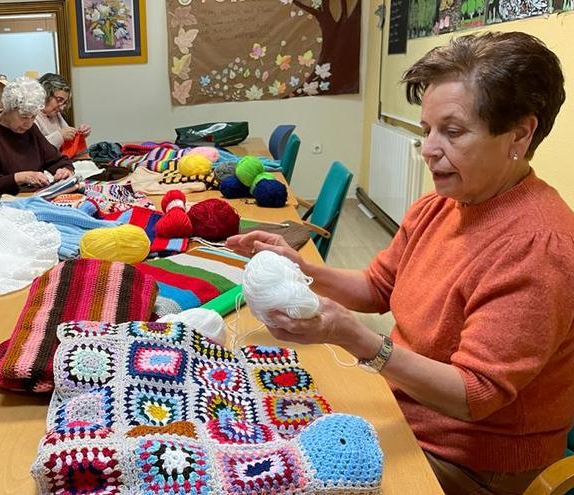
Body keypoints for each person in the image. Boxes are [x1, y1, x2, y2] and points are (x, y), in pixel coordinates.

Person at [227, 32, 573, 494]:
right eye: (426, 129)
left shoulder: (537, 247)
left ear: (520, 133)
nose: (429, 149)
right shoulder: (443, 205)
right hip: (402, 411)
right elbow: (377, 287)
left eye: (451, 131)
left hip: (471, 463)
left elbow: (476, 395)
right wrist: (301, 266)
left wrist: (353, 337)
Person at [0, 76, 74, 202]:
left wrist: (64, 170)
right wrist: (21, 177)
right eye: (24, 116)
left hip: (29, 199)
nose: (28, 123)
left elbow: (56, 160)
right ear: (8, 108)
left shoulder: (30, 130)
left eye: (33, 117)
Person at [35, 73, 91, 150]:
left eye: (64, 102)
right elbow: (34, 149)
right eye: (59, 100)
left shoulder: (55, 114)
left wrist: (80, 133)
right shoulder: (32, 117)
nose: (61, 107)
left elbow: (68, 138)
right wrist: (60, 136)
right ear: (45, 94)